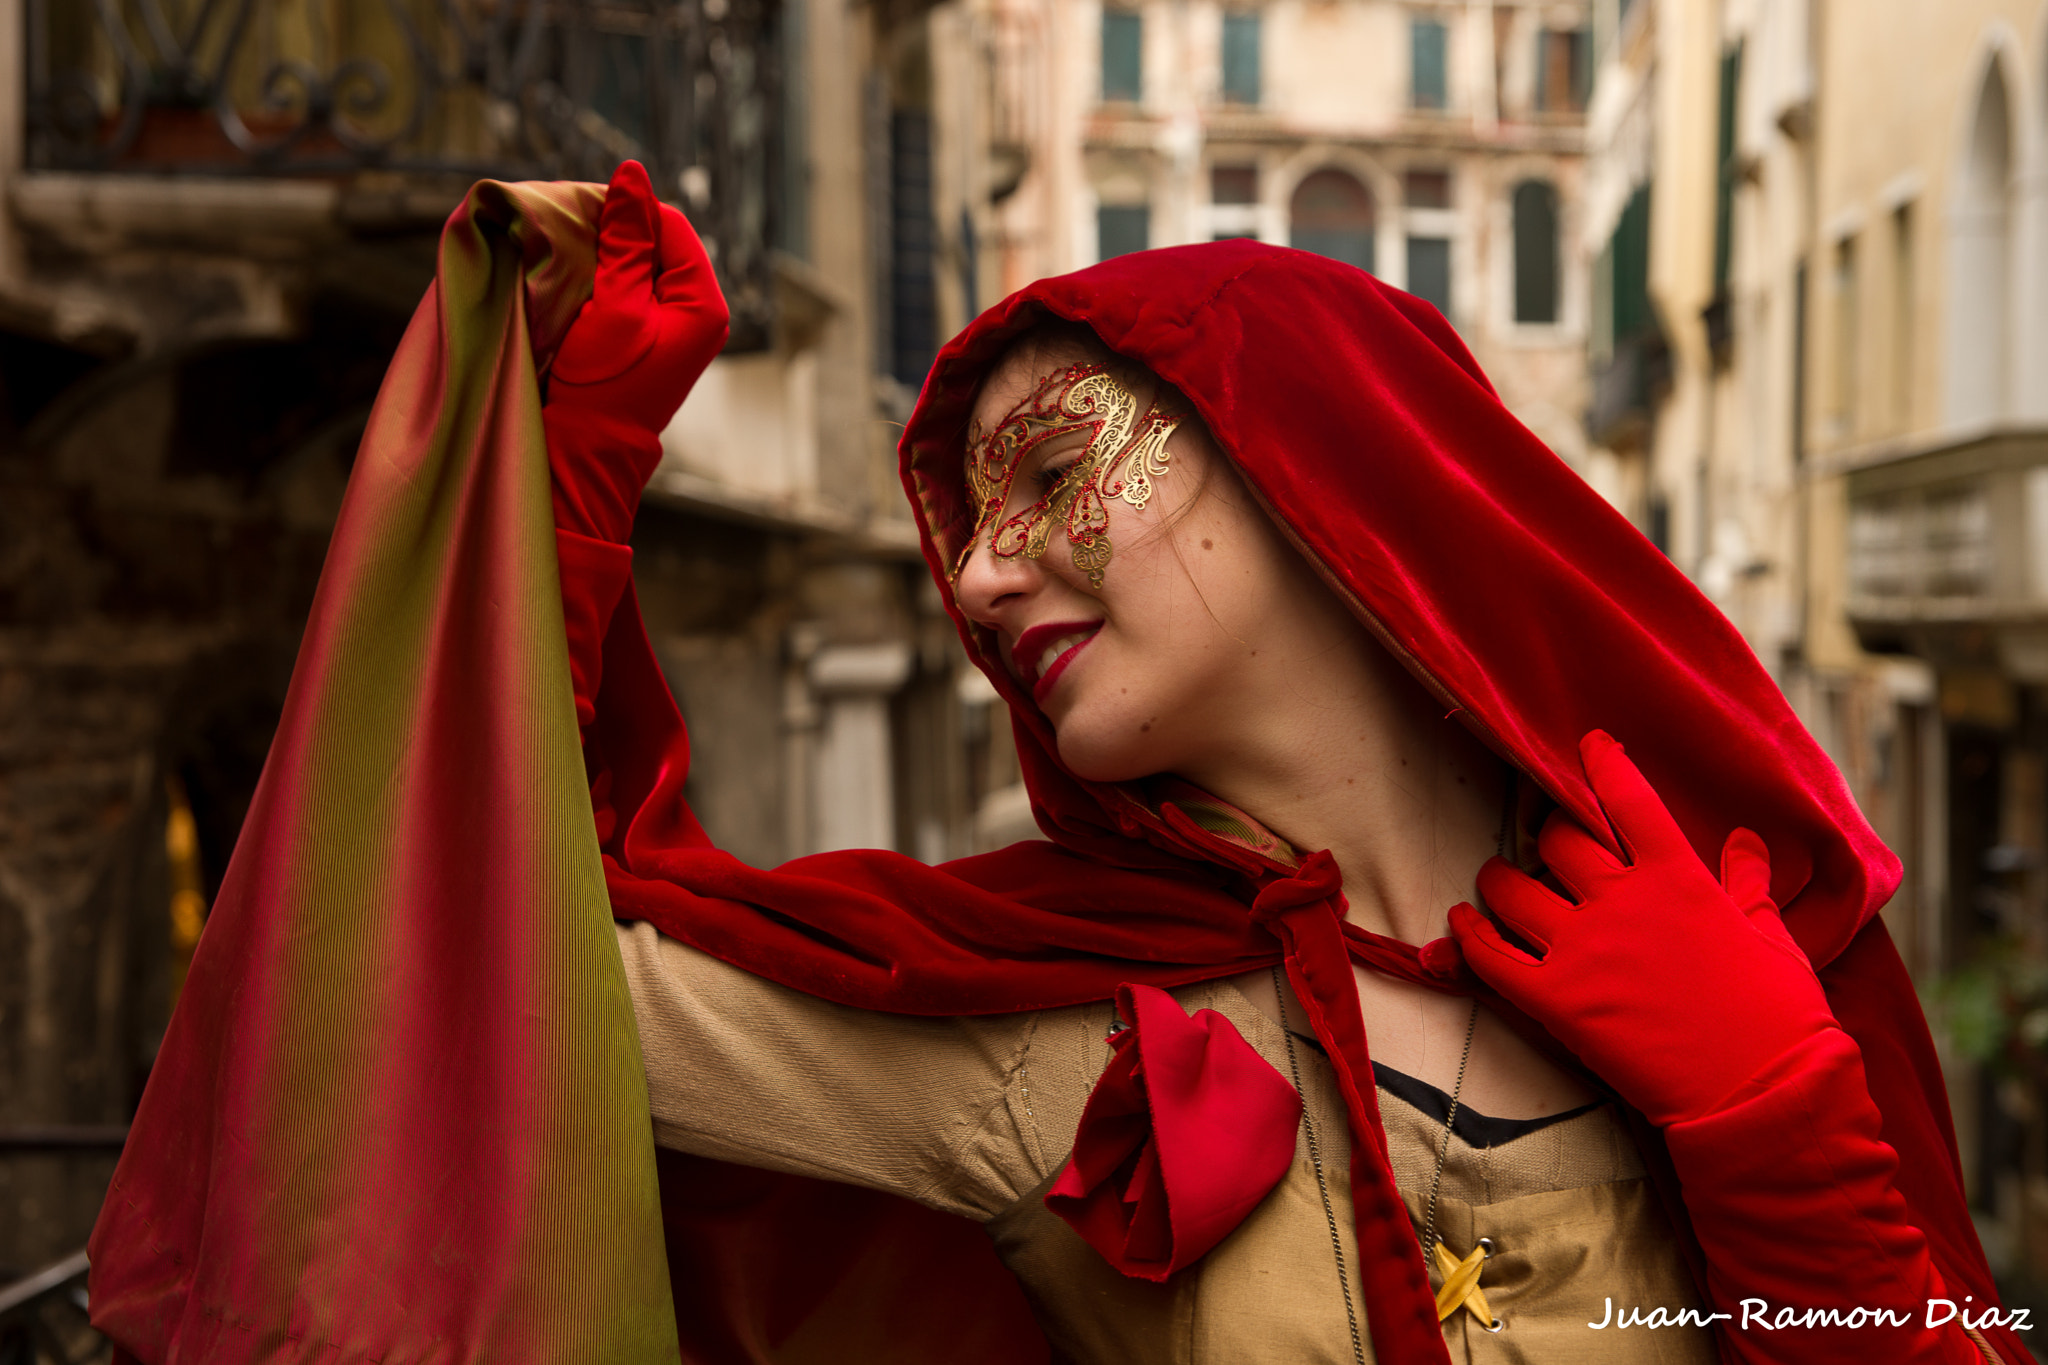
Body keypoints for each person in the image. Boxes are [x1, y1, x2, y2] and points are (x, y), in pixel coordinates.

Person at [86, 166, 2024, 1365]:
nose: (985, 569)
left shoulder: (1721, 925)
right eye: (966, 526)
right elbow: (496, 957)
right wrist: (569, 476)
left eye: (1047, 473)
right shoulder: (1032, 1009)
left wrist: (1776, 1117)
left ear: (1307, 455)